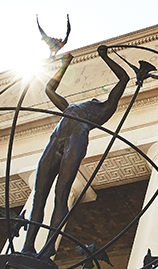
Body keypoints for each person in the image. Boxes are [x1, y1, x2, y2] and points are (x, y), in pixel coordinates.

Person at [23, 44, 130, 254]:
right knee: (39, 195)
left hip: (76, 137)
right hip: (56, 137)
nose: (93, 100)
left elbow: (124, 79)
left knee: (61, 193)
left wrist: (105, 57)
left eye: (96, 100)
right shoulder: (70, 108)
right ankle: (28, 245)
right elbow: (49, 90)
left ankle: (48, 247)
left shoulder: (105, 110)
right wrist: (65, 64)